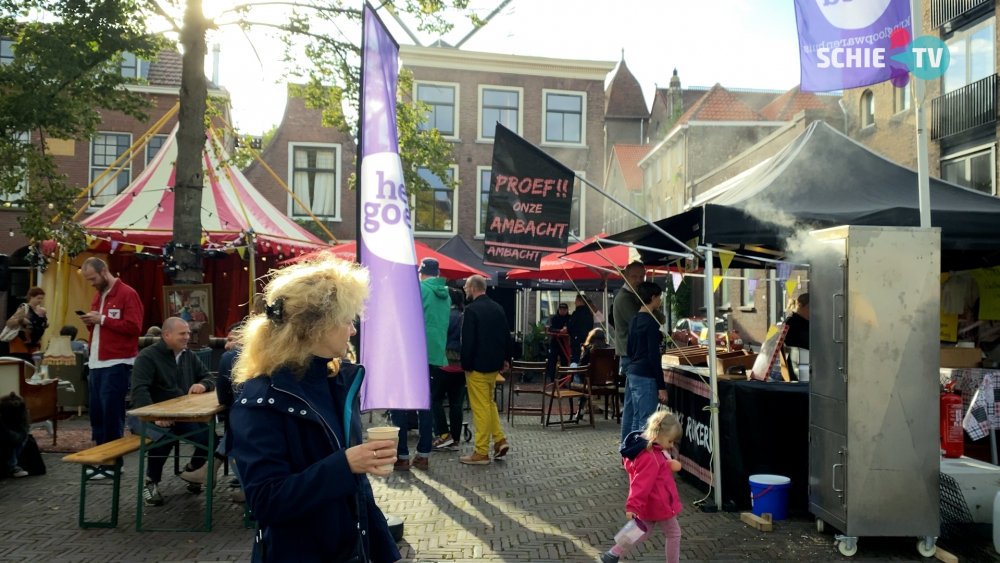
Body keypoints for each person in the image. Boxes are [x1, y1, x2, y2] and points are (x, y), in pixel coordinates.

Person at [229, 257, 400, 563]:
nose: (352, 330)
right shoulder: (260, 399)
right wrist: (344, 465)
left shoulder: (338, 383)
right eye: (346, 320)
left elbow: (359, 490)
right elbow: (265, 501)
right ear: (314, 327)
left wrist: (388, 553)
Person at [128, 317, 218, 506]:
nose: (187, 337)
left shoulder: (188, 355)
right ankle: (150, 482)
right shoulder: (147, 357)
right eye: (182, 334)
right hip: (146, 415)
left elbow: (208, 377)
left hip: (181, 414)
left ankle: (192, 471)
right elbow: (139, 391)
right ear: (166, 335)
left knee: (209, 438)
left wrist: (202, 384)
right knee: (163, 436)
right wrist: (155, 417)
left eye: (188, 333)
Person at [599, 411, 684, 563]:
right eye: (670, 441)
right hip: (660, 502)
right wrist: (632, 506)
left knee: (640, 530)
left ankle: (613, 553)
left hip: (650, 503)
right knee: (674, 534)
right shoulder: (651, 456)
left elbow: (646, 476)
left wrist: (667, 465)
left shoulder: (645, 450)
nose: (671, 446)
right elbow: (642, 483)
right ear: (658, 434)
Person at [79, 257, 143, 446]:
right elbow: (101, 328)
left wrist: (103, 320)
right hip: (96, 362)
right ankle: (102, 457)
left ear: (104, 271)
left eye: (93, 279)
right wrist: (91, 322)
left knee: (111, 415)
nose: (91, 284)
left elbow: (135, 327)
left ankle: (113, 462)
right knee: (97, 415)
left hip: (116, 363)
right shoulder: (99, 295)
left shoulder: (127, 294)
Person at [392, 258, 448, 472]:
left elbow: (404, 318)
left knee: (398, 402)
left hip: (410, 351)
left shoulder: (418, 289)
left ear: (421, 272)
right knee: (425, 405)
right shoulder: (446, 293)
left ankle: (402, 455)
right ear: (438, 272)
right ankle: (423, 455)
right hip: (433, 353)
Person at [460, 275, 511, 465]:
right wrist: (505, 358)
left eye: (466, 286)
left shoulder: (471, 310)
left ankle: (481, 452)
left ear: (473, 288)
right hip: (494, 367)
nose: (465, 289)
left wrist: (466, 365)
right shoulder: (498, 308)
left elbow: (468, 341)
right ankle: (499, 440)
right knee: (489, 404)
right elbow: (506, 335)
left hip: (477, 368)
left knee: (480, 409)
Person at [621, 281, 668, 444]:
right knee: (646, 421)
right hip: (646, 375)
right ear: (653, 297)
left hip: (633, 371)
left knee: (635, 418)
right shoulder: (651, 323)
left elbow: (629, 349)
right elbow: (654, 356)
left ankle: (631, 456)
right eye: (659, 298)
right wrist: (661, 386)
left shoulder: (634, 320)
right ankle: (642, 459)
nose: (660, 301)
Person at [432, 288, 466, 451]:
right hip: (460, 367)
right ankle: (456, 440)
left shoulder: (443, 316)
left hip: (443, 363)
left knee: (435, 400)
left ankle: (444, 435)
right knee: (456, 404)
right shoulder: (464, 317)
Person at [613, 262, 648, 376]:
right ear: (626, 277)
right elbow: (641, 324)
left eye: (641, 276)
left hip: (632, 355)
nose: (638, 280)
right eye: (634, 277)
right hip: (631, 356)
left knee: (633, 392)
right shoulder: (625, 298)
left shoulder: (634, 295)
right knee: (636, 393)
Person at [7, 287, 48, 363]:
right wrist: (21, 320)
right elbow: (10, 322)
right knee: (24, 361)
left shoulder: (41, 310)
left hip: (34, 341)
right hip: (20, 340)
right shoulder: (24, 308)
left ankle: (33, 373)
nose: (40, 301)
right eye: (38, 298)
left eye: (42, 298)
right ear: (31, 297)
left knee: (37, 359)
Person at [545, 303, 571, 380]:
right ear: (558, 310)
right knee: (552, 361)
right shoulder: (553, 318)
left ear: (567, 310)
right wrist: (559, 331)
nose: (562, 311)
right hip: (555, 343)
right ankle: (552, 379)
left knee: (565, 362)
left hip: (565, 343)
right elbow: (550, 328)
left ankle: (563, 379)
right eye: (561, 310)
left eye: (564, 310)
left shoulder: (570, 318)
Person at [568, 295, 594, 365]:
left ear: (581, 302)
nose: (575, 303)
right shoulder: (590, 314)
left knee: (576, 359)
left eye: (576, 301)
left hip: (576, 340)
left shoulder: (576, 313)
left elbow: (570, 327)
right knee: (585, 359)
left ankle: (575, 375)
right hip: (587, 340)